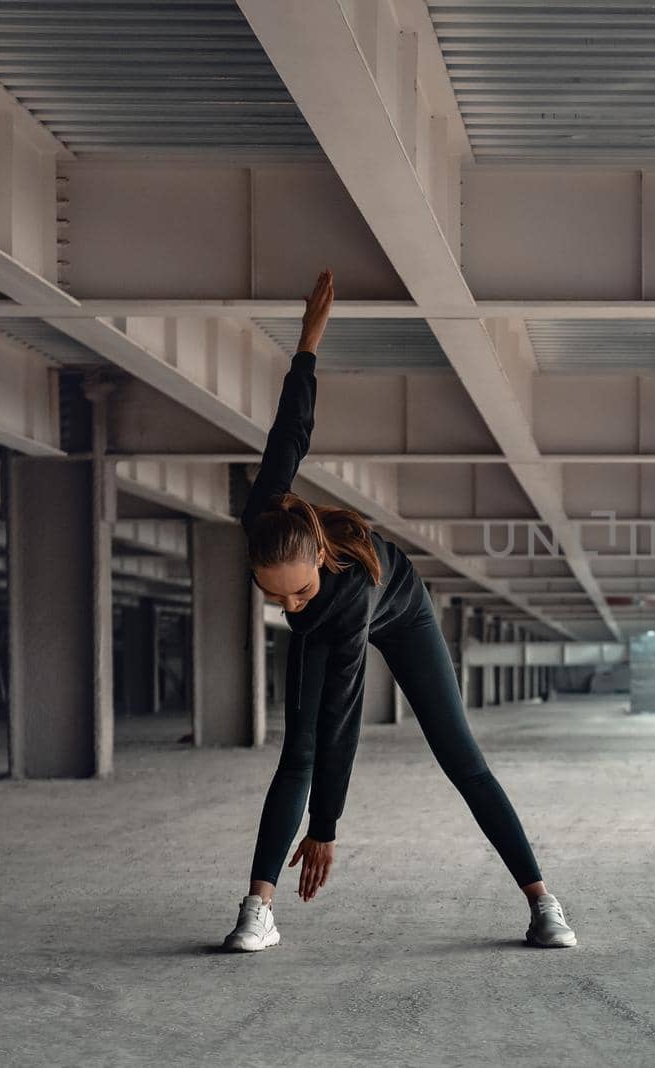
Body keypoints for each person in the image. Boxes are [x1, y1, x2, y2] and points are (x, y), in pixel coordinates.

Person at [222, 270, 576, 951]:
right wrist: (308, 343)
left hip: (400, 611)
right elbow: (289, 432)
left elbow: (343, 722)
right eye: (275, 597)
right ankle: (254, 910)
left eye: (299, 592)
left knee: (461, 758)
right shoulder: (267, 519)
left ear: (322, 559)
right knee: (292, 755)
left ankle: (544, 904)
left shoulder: (347, 593)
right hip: (336, 624)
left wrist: (325, 826)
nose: (288, 605)